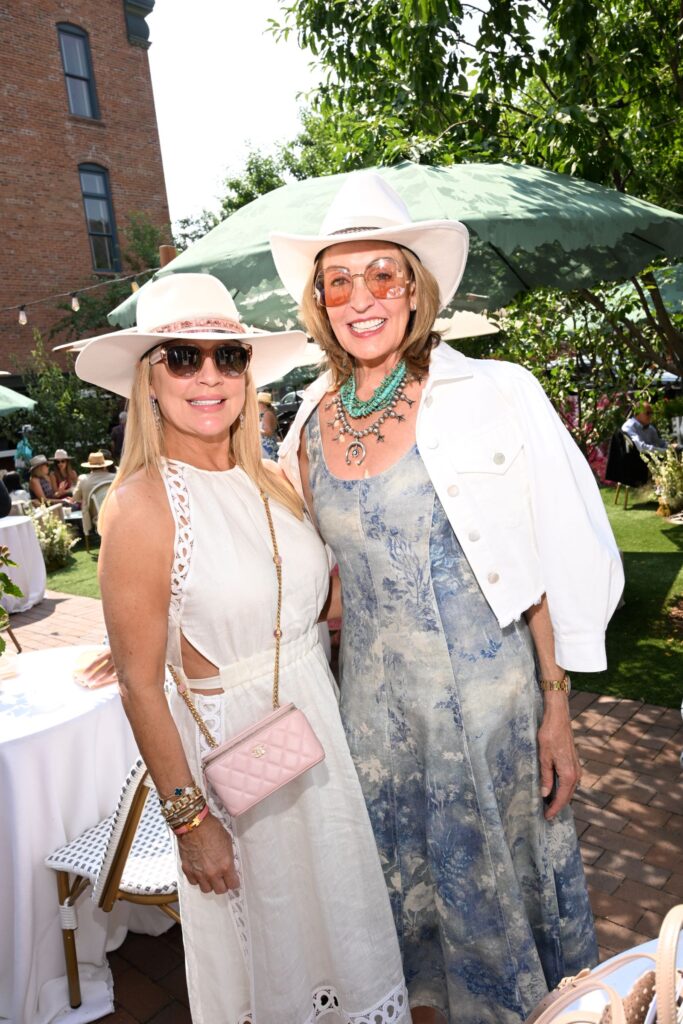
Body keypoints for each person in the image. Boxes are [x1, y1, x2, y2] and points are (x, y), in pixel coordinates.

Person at [272, 173, 625, 1024]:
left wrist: (556, 708)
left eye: (382, 275)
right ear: (319, 301)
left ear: (415, 287)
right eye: (339, 281)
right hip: (372, 723)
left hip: (488, 711)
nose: (362, 299)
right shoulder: (308, 417)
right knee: (404, 916)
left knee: (500, 902)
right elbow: (285, 557)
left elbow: (546, 555)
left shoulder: (495, 394)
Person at [74, 273, 408, 1024]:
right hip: (238, 769)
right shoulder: (141, 505)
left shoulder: (277, 481)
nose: (209, 376)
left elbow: (308, 599)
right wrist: (192, 825)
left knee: (341, 937)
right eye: (182, 358)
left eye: (227, 357)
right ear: (147, 381)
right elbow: (138, 684)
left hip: (315, 734)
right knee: (271, 959)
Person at [257, 391, 279, 460]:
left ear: (262, 404)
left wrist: (255, 430)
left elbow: (268, 431)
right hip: (268, 446)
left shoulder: (267, 414)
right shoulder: (267, 413)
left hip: (268, 447)